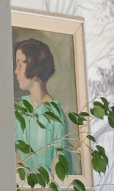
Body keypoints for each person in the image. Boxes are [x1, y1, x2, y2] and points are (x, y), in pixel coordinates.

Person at [14, 37, 76, 173]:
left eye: (20, 64)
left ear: (34, 69)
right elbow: (16, 159)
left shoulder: (55, 113)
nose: (16, 71)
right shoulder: (20, 110)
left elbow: (58, 164)